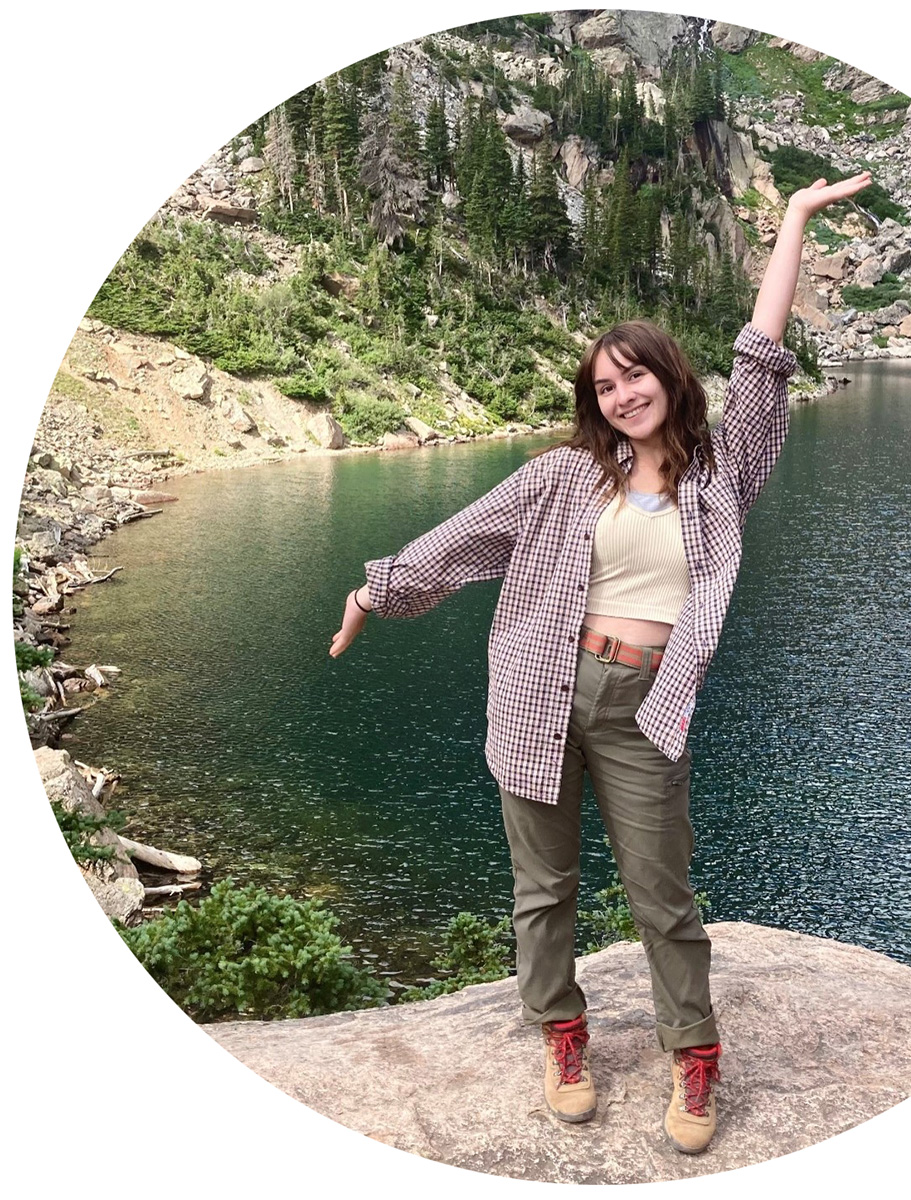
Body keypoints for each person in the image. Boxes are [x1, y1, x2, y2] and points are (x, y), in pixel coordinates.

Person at [330, 170, 873, 1154]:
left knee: (661, 893)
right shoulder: (560, 477)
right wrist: (378, 590)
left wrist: (793, 218)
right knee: (543, 888)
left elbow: (762, 357)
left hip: (647, 702)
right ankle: (564, 1036)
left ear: (668, 376)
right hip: (542, 690)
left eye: (636, 375)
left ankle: (693, 1054)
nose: (622, 394)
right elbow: (460, 542)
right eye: (604, 385)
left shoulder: (722, 473)